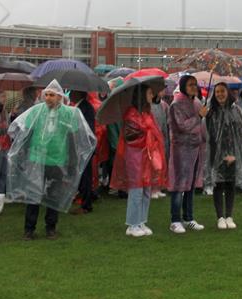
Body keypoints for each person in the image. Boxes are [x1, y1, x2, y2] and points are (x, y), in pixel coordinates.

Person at [7, 80, 96, 240]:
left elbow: (72, 139)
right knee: (33, 195)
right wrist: (24, 155)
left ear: (60, 97)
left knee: (53, 197)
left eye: (52, 95)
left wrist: (72, 162)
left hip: (57, 161)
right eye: (46, 94)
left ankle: (51, 227)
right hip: (37, 160)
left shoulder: (69, 114)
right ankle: (29, 229)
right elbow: (27, 134)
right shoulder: (36, 111)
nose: (48, 98)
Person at [110, 84, 166, 237]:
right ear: (142, 96)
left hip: (146, 156)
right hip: (135, 156)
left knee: (147, 189)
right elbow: (130, 137)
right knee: (136, 189)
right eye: (149, 93)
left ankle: (141, 221)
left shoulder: (147, 113)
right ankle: (132, 224)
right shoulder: (131, 114)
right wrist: (147, 133)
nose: (151, 96)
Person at [205, 82, 242, 230]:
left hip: (233, 154)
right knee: (218, 184)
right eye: (217, 92)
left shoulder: (236, 110)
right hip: (216, 154)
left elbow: (240, 133)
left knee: (230, 184)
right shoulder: (211, 112)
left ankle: (229, 215)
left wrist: (234, 154)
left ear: (228, 92)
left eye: (222, 91)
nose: (219, 94)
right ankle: (220, 217)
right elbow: (209, 135)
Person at [167, 75, 207, 234]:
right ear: (183, 86)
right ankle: (175, 220)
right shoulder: (176, 104)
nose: (194, 87)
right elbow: (182, 126)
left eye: (195, 85)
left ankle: (189, 217)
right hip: (181, 150)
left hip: (196, 149)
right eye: (190, 85)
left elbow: (201, 126)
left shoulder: (197, 102)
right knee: (179, 185)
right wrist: (199, 116)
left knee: (190, 185)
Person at [70, 89, 97, 214]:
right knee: (82, 175)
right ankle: (85, 198)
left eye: (72, 92)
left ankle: (86, 205)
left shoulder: (85, 108)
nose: (70, 94)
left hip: (84, 147)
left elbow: (87, 128)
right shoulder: (80, 107)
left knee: (86, 176)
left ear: (79, 93)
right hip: (81, 147)